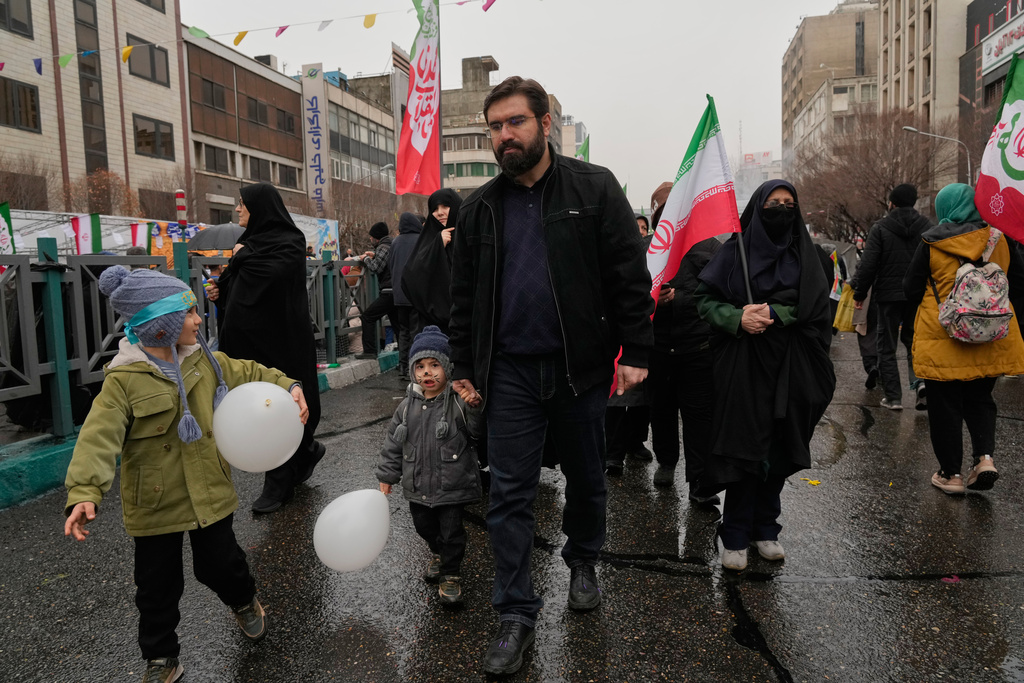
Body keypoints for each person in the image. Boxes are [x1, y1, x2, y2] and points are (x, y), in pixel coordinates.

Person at [448, 76, 654, 676]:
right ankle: (515, 614)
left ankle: (584, 561)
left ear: (544, 124)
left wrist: (637, 348)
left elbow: (627, 275)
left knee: (588, 477)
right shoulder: (480, 207)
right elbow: (463, 298)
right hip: (508, 372)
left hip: (580, 368)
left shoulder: (594, 189)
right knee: (508, 492)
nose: (504, 135)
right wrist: (463, 364)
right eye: (495, 126)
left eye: (515, 122)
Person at [63, 265, 309, 683]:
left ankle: (244, 598)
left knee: (220, 565)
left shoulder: (206, 362)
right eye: (190, 313)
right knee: (156, 588)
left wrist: (288, 385)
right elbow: (97, 438)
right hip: (154, 504)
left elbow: (251, 372)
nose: (199, 320)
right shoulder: (123, 381)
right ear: (162, 325)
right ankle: (161, 656)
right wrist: (85, 491)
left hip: (209, 493)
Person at [695, 179, 835, 572]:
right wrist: (737, 317)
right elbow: (704, 301)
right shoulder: (732, 253)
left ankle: (766, 529)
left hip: (794, 367)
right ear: (757, 208)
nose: (781, 209)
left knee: (780, 447)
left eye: (789, 203)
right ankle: (735, 533)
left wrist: (776, 313)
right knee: (744, 448)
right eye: (773, 203)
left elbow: (815, 307)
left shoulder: (811, 257)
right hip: (744, 365)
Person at [206, 182, 324, 513]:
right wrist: (221, 292)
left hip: (282, 342)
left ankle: (278, 484)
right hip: (250, 346)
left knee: (279, 404)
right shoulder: (247, 244)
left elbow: (274, 278)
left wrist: (243, 261)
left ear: (261, 208)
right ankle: (307, 452)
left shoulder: (289, 241)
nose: (238, 210)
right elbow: (238, 289)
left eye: (243, 204)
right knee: (260, 404)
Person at [903, 183, 1024, 495]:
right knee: (981, 399)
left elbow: (911, 289)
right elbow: (1018, 284)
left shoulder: (931, 242)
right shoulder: (1000, 239)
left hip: (944, 335)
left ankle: (951, 474)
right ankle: (984, 459)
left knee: (945, 406)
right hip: (992, 335)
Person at [376, 326, 482, 605]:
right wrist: (388, 475)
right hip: (417, 483)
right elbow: (393, 444)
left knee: (452, 532)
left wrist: (475, 407)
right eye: (420, 366)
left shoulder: (458, 401)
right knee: (423, 526)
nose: (427, 373)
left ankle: (451, 573)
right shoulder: (406, 407)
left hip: (452, 484)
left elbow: (477, 432)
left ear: (448, 368)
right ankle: (437, 552)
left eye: (435, 365)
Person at [645, 182, 721, 498]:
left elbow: (719, 295)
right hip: (658, 349)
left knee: (699, 416)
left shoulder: (711, 247)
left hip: (698, 349)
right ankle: (666, 462)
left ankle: (701, 481)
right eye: (664, 213)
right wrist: (653, 301)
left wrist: (680, 300)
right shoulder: (646, 249)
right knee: (661, 411)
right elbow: (629, 296)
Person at [849, 183, 932, 410]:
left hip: (888, 296)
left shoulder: (881, 227)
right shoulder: (927, 226)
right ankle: (921, 384)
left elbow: (868, 265)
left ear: (892, 203)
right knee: (914, 341)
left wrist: (859, 293)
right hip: (917, 295)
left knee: (886, 346)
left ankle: (893, 397)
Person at [402, 188, 463, 334]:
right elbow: (410, 277)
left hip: (467, 323)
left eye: (445, 206)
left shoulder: (468, 236)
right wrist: (437, 246)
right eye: (435, 209)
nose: (440, 212)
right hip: (434, 327)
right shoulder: (428, 239)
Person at [388, 212, 424, 380]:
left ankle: (402, 366)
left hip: (399, 295)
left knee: (403, 331)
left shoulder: (395, 242)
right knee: (416, 331)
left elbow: (391, 266)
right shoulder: (421, 239)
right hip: (416, 294)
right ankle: (413, 367)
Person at [357, 221, 394, 358]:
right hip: (395, 291)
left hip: (388, 291)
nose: (370, 239)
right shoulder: (391, 244)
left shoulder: (383, 247)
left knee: (367, 317)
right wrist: (374, 255)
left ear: (376, 237)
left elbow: (376, 268)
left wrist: (366, 259)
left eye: (371, 237)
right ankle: (405, 360)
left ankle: (369, 351)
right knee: (398, 325)